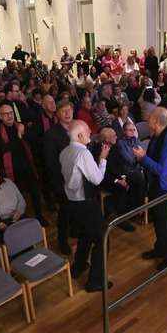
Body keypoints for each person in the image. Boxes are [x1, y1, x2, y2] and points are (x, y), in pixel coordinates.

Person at [59, 120, 111, 292]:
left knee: (85, 236)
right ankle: (95, 281)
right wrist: (102, 160)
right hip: (86, 203)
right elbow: (97, 179)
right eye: (88, 131)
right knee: (103, 239)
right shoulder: (83, 154)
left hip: (73, 202)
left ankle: (78, 267)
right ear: (80, 136)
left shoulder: (65, 152)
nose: (91, 132)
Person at [133, 107, 167, 271]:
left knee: (164, 223)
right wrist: (142, 157)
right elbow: (152, 160)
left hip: (163, 188)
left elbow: (162, 169)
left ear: (157, 122)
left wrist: (143, 158)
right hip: (154, 186)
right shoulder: (156, 136)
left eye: (150, 118)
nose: (147, 120)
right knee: (158, 222)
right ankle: (160, 248)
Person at [45, 100, 76, 255]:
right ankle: (62, 241)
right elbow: (51, 160)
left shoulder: (76, 128)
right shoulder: (52, 134)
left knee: (76, 208)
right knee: (65, 210)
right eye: (64, 111)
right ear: (57, 115)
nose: (68, 113)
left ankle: (74, 231)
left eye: (69, 110)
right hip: (62, 179)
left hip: (77, 177)